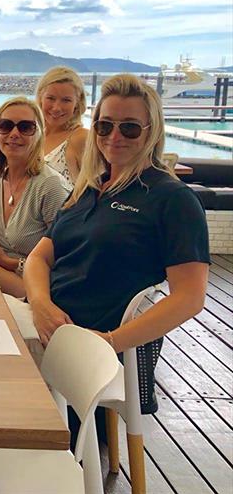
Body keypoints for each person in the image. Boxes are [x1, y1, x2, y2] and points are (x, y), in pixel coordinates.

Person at [24, 74, 209, 352]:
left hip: (90, 346)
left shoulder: (172, 199)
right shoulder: (90, 188)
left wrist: (108, 342)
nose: (114, 136)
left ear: (152, 131)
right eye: (104, 126)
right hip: (43, 325)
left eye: (130, 128)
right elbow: (39, 256)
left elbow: (189, 297)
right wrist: (40, 305)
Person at [0, 97, 69, 298]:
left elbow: (66, 259)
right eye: (5, 126)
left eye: (25, 127)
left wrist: (8, 262)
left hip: (38, 289)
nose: (14, 134)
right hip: (2, 277)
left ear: (39, 134)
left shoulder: (50, 186)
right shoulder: (0, 177)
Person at [35, 66, 89, 191]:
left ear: (77, 104)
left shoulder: (81, 138)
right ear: (40, 98)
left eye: (66, 100)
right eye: (51, 98)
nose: (57, 108)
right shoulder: (34, 136)